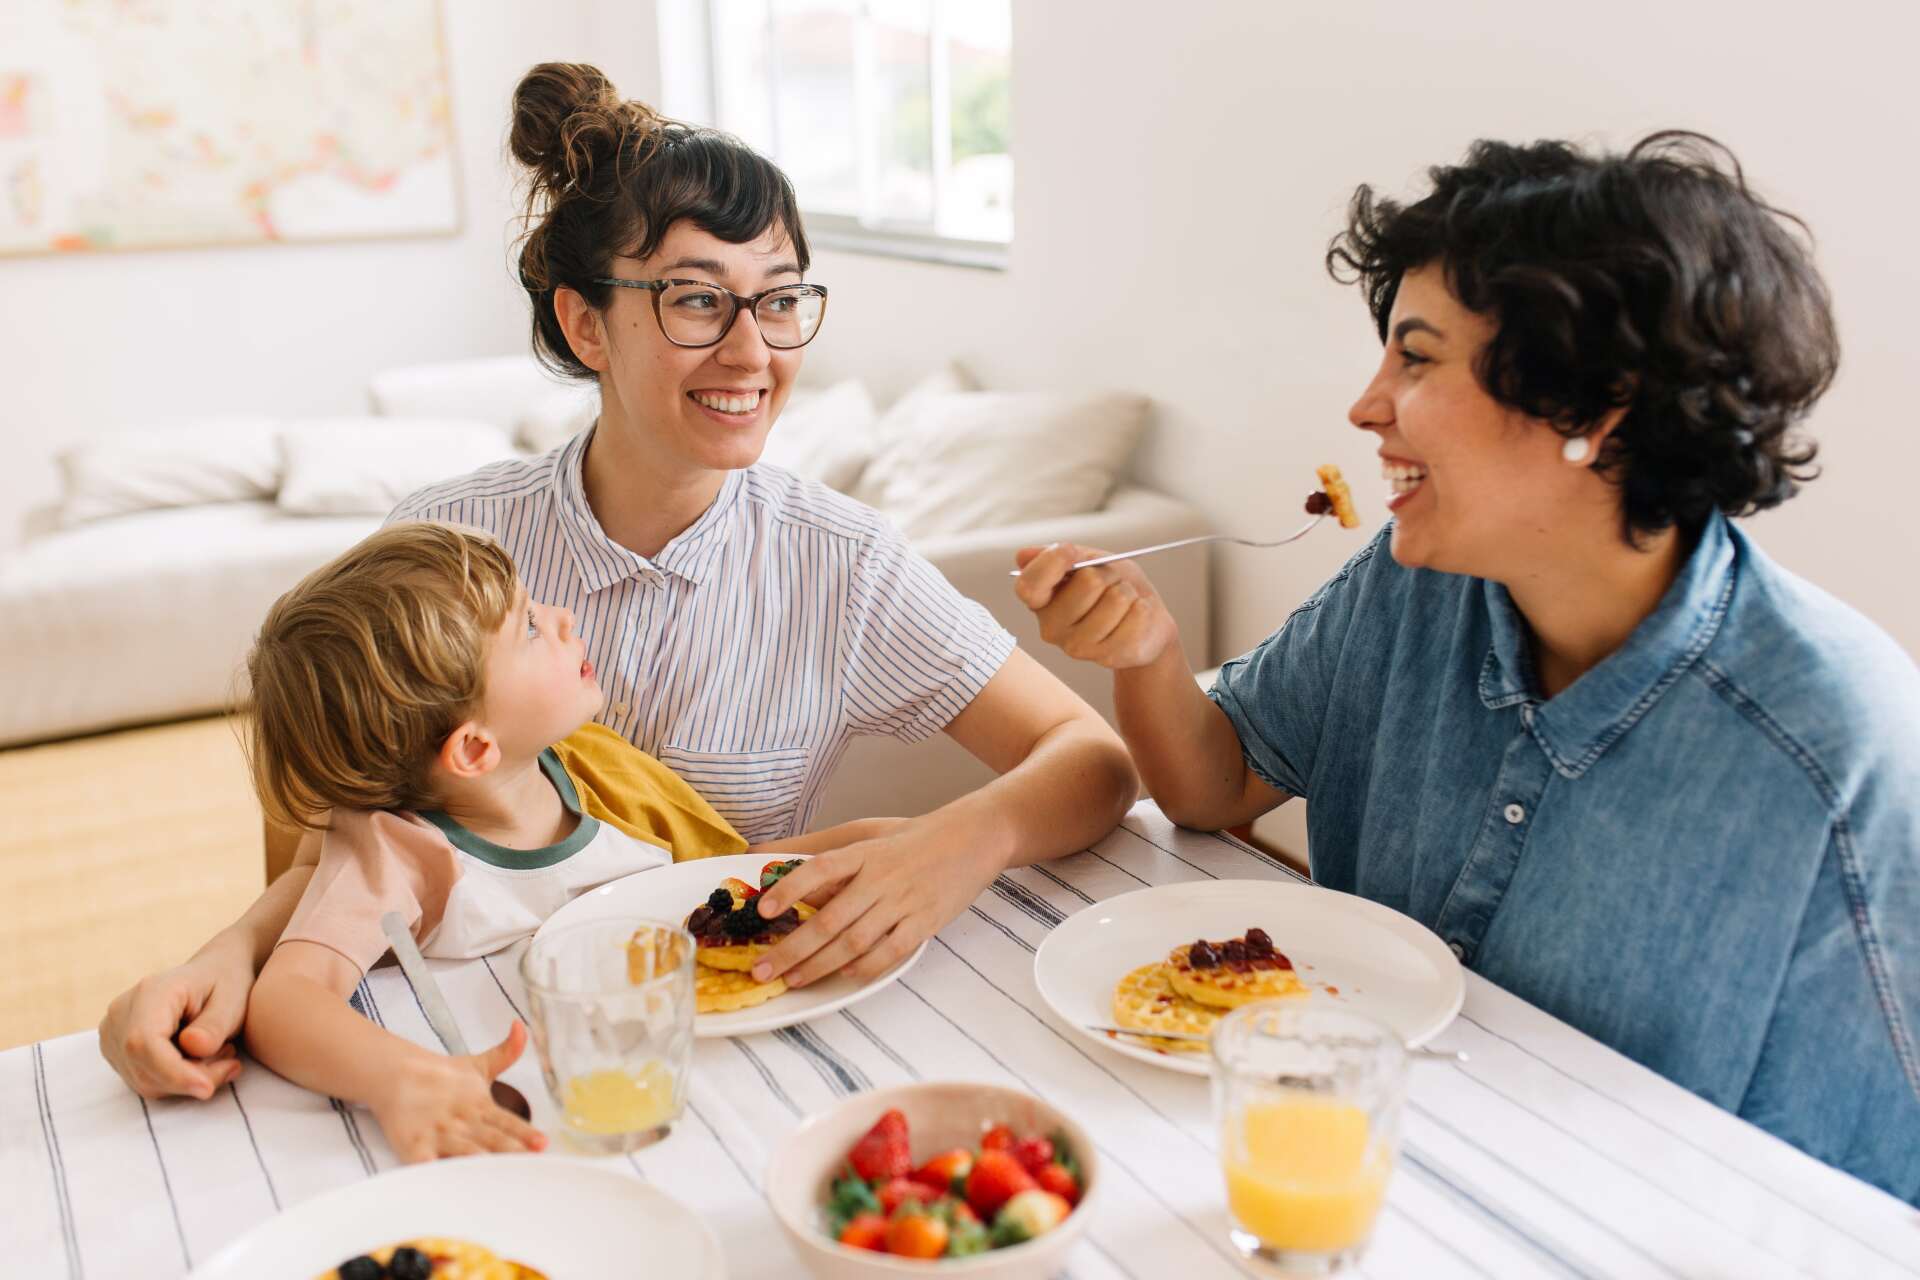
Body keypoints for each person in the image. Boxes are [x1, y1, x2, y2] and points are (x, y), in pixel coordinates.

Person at [98, 61, 1136, 1103]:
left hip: (722, 1048)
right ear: (585, 323)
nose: (752, 349)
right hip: (467, 1058)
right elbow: (323, 833)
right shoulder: (448, 540)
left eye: (779, 300)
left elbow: (1090, 760)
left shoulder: (845, 564)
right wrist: (230, 954)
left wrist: (959, 842)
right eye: (696, 299)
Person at [1015, 133, 1920, 1201]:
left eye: (1418, 356)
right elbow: (1213, 785)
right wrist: (1151, 654)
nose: (1366, 404)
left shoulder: (1832, 746)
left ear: (1595, 403)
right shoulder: (1412, 582)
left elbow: (1863, 1198)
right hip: (1342, 1178)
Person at [242, 521, 900, 1161]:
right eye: (529, 627)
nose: (561, 617)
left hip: (699, 1089)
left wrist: (882, 842)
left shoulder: (590, 768)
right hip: (530, 1127)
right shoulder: (398, 854)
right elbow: (285, 1000)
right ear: (474, 749)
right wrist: (398, 1078)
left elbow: (723, 881)